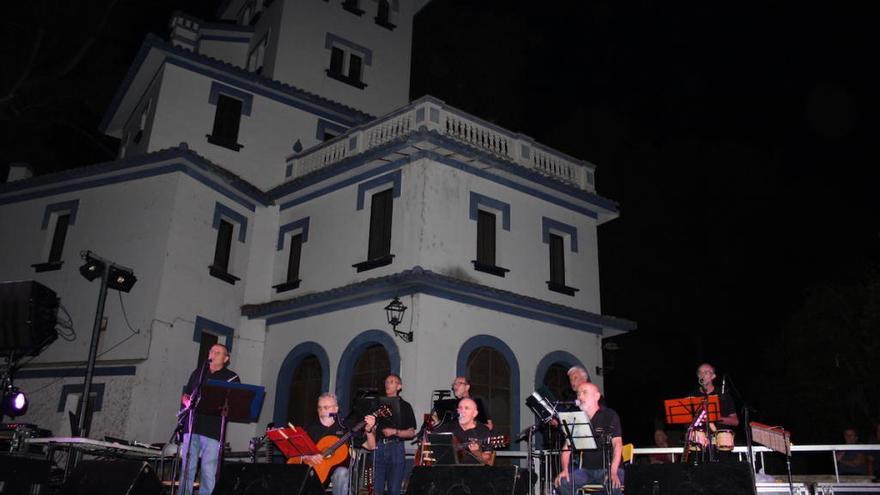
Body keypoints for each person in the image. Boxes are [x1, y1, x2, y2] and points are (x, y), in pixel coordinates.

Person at [178, 344, 240, 495]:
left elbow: (235, 403)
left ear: (226, 359)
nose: (213, 353)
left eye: (218, 352)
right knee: (187, 467)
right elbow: (185, 394)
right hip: (192, 426)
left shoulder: (231, 378)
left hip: (212, 429)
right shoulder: (198, 373)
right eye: (212, 351)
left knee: (208, 469)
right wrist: (187, 401)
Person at [554, 383, 624, 495]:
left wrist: (613, 471)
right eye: (578, 394)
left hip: (609, 469)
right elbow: (566, 448)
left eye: (584, 392)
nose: (580, 397)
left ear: (596, 396)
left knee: (613, 484)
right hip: (586, 471)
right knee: (562, 483)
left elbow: (617, 444)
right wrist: (565, 470)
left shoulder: (609, 415)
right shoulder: (577, 418)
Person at [303, 393, 376, 495]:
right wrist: (308, 456)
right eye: (319, 407)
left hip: (336, 472)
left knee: (342, 472)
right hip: (315, 470)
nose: (322, 410)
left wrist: (369, 431)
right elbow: (299, 450)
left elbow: (371, 446)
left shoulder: (345, 427)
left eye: (326, 407)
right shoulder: (310, 427)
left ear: (336, 409)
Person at [373, 374, 416, 495]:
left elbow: (411, 433)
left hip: (396, 448)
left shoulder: (405, 406)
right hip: (378, 447)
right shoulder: (377, 405)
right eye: (386, 382)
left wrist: (395, 432)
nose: (387, 384)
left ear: (399, 386)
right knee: (376, 489)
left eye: (391, 381)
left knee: (394, 489)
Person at [434, 398, 495, 465]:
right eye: (460, 408)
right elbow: (431, 441)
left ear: (474, 413)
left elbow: (487, 460)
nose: (462, 411)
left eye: (466, 408)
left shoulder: (483, 430)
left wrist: (477, 452)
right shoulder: (448, 426)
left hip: (472, 471)